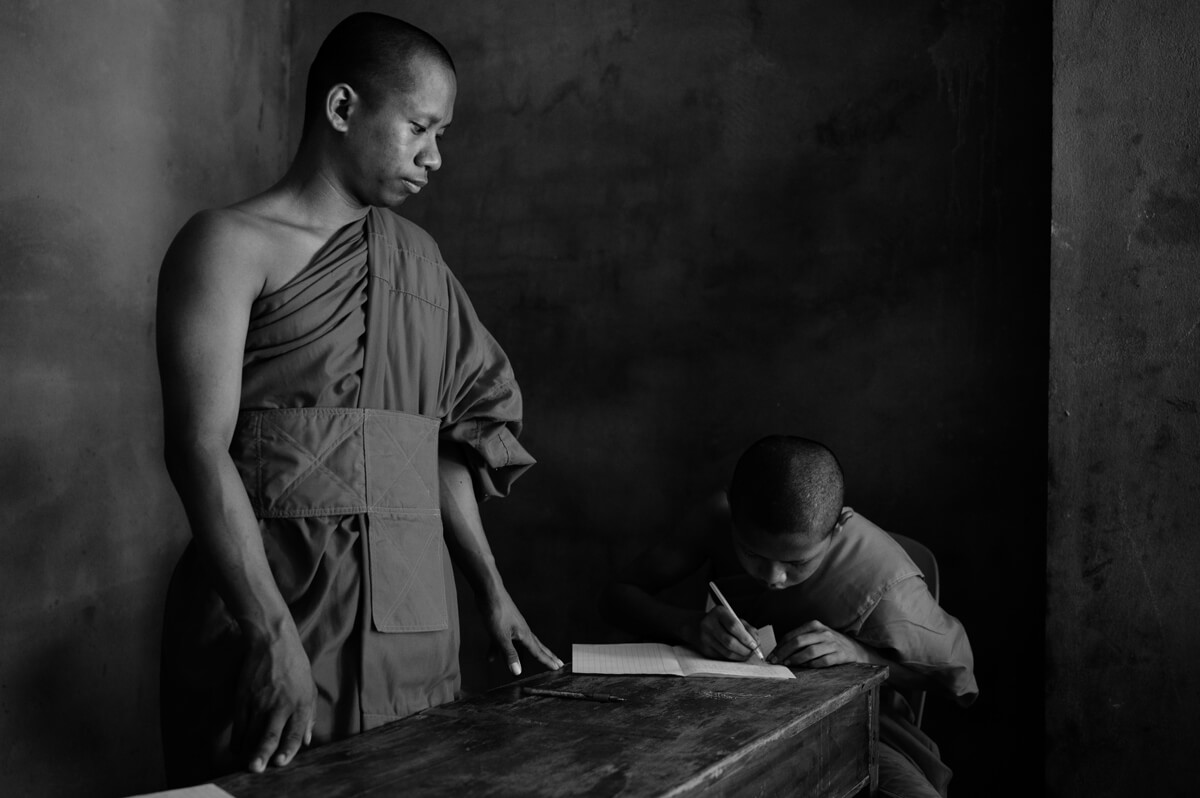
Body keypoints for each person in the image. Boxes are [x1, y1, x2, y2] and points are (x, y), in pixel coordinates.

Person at [155, 13, 562, 786]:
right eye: (419, 128)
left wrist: (493, 592)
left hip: (415, 622)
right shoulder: (227, 245)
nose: (434, 157)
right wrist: (269, 637)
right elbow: (195, 450)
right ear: (344, 109)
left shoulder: (422, 262)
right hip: (275, 608)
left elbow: (438, 442)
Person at [601, 435, 978, 798]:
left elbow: (957, 680)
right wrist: (688, 625)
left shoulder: (882, 577)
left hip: (851, 725)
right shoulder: (716, 519)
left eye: (797, 563)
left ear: (837, 531)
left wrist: (861, 656)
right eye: (752, 553)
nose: (772, 578)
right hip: (721, 710)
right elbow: (615, 597)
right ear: (732, 512)